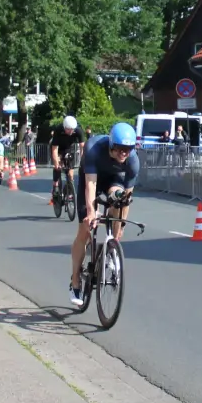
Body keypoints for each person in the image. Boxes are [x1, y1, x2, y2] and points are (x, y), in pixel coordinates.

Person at [68, 122, 140, 306]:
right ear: (111, 145)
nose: (124, 153)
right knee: (84, 229)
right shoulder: (94, 149)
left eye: (128, 149)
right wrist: (91, 213)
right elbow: (91, 185)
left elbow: (128, 197)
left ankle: (111, 250)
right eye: (120, 149)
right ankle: (75, 280)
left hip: (114, 181)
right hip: (91, 178)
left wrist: (121, 226)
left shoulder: (132, 161)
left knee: (119, 199)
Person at [49, 115, 84, 203]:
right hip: (58, 148)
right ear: (64, 127)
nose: (70, 131)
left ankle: (69, 191)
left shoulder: (78, 130)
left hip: (69, 148)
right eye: (68, 129)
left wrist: (83, 162)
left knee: (70, 173)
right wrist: (56, 162)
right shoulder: (58, 129)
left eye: (72, 129)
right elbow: (54, 149)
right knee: (58, 166)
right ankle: (55, 184)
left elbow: (82, 147)